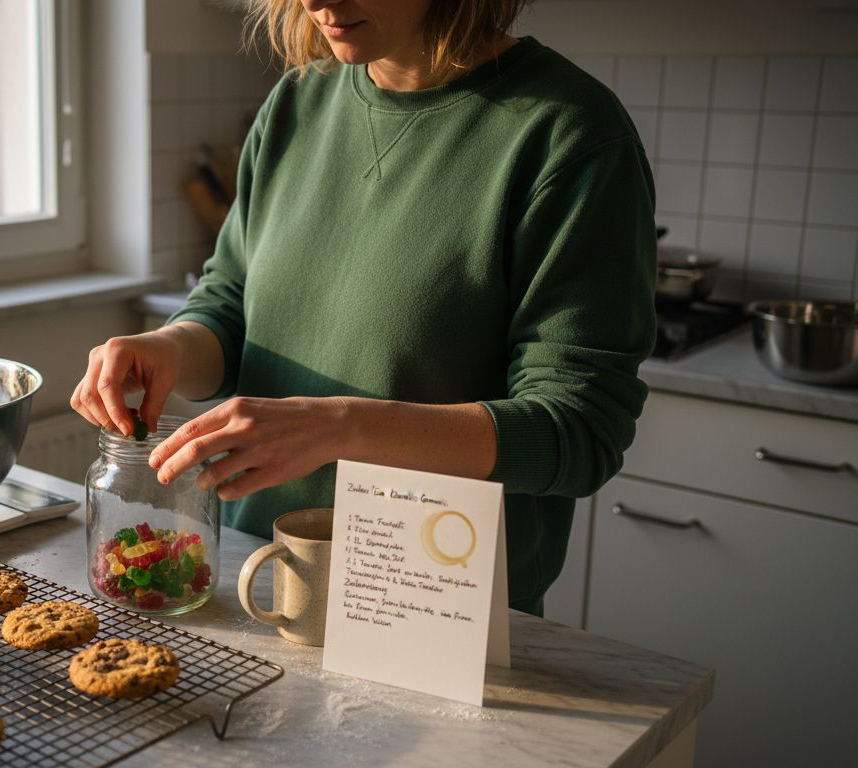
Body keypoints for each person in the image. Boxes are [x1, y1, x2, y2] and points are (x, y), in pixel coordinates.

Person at [70, 0, 656, 616]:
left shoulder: (569, 131)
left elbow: (579, 430)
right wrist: (171, 347)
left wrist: (341, 429)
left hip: (430, 607)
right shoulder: (296, 102)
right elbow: (230, 301)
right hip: (261, 575)